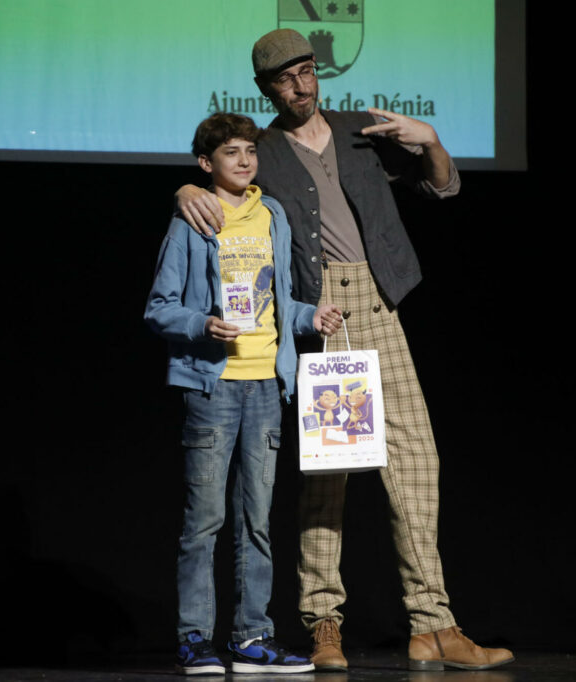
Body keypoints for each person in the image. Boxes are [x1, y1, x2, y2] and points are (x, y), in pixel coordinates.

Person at [175, 29, 514, 672]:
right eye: (285, 79)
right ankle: (323, 623)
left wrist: (432, 143)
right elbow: (219, 182)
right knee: (329, 470)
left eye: (307, 71)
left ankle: (433, 625)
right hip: (319, 313)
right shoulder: (264, 149)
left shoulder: (362, 131)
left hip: (378, 301)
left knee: (416, 460)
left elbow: (443, 189)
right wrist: (184, 190)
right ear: (266, 89)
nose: (300, 85)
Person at [146, 112, 343, 675]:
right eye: (230, 152)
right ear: (205, 163)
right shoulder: (192, 218)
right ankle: (194, 638)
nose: (244, 160)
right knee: (205, 521)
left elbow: (280, 299)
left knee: (256, 520)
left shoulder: (272, 214)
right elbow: (159, 308)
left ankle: (252, 636)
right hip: (214, 387)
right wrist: (201, 324)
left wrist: (311, 317)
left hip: (266, 388)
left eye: (250, 151)